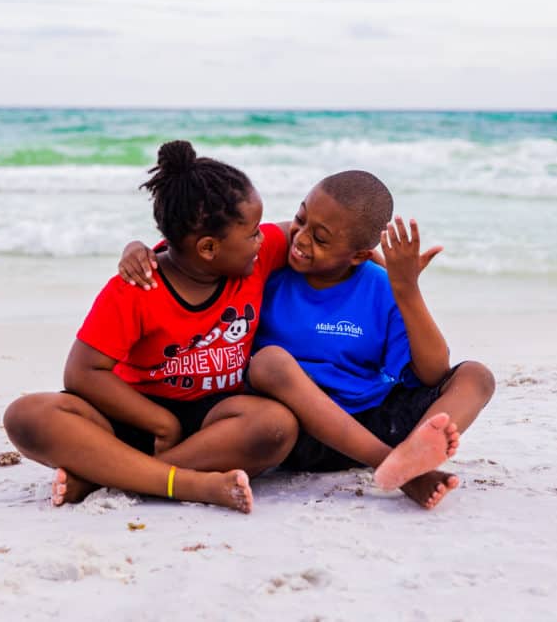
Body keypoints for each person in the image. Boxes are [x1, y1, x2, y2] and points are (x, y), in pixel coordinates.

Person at [122, 170, 495, 510]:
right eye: (301, 219)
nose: (300, 239)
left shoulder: (380, 285)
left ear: (360, 256)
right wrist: (142, 249)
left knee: (476, 376)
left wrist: (407, 290)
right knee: (270, 361)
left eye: (319, 238)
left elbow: (433, 373)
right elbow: (205, 251)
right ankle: (395, 465)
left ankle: (410, 457)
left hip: (367, 421)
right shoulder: (266, 265)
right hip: (290, 428)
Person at [3, 140, 299, 514]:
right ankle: (191, 483)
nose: (263, 238)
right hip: (131, 418)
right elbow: (82, 372)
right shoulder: (138, 286)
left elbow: (305, 234)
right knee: (26, 416)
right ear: (208, 248)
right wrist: (161, 423)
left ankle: (106, 477)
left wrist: (363, 249)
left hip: (213, 426)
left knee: (276, 425)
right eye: (253, 232)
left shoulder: (258, 256)